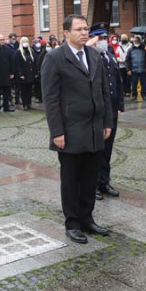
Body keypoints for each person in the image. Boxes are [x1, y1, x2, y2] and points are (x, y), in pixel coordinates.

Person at [41, 15, 112, 244]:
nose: (84, 33)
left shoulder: (94, 55)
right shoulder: (55, 58)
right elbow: (50, 99)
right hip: (70, 130)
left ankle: (87, 218)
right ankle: (72, 223)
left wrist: (107, 122)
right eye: (79, 29)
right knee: (71, 179)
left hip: (93, 128)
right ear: (66, 32)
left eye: (86, 29)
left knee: (90, 178)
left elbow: (103, 92)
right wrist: (57, 131)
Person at [88, 23, 123, 201]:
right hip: (98, 111)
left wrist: (119, 106)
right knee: (96, 150)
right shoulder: (90, 57)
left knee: (107, 149)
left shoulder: (109, 55)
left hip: (111, 110)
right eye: (99, 38)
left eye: (104, 38)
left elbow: (117, 81)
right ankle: (92, 185)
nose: (103, 41)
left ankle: (104, 181)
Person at [0, 34, 15, 113]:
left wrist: (12, 72)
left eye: (3, 39)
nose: (2, 41)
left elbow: (12, 61)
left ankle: (6, 106)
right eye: (1, 40)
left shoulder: (8, 49)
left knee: (6, 92)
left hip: (7, 74)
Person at [14, 36, 38, 110]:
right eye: (24, 42)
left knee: (29, 89)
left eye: (26, 42)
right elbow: (18, 64)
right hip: (23, 74)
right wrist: (20, 74)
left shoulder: (31, 51)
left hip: (30, 74)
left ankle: (29, 103)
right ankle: (25, 104)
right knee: (24, 90)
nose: (25, 43)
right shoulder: (18, 52)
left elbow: (34, 63)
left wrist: (35, 72)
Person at [126, 36, 146, 101]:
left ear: (139, 40)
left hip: (142, 69)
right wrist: (128, 69)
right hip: (133, 69)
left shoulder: (144, 48)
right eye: (134, 40)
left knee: (144, 84)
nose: (135, 41)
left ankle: (144, 95)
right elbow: (127, 60)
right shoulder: (130, 49)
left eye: (136, 40)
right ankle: (134, 95)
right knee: (134, 83)